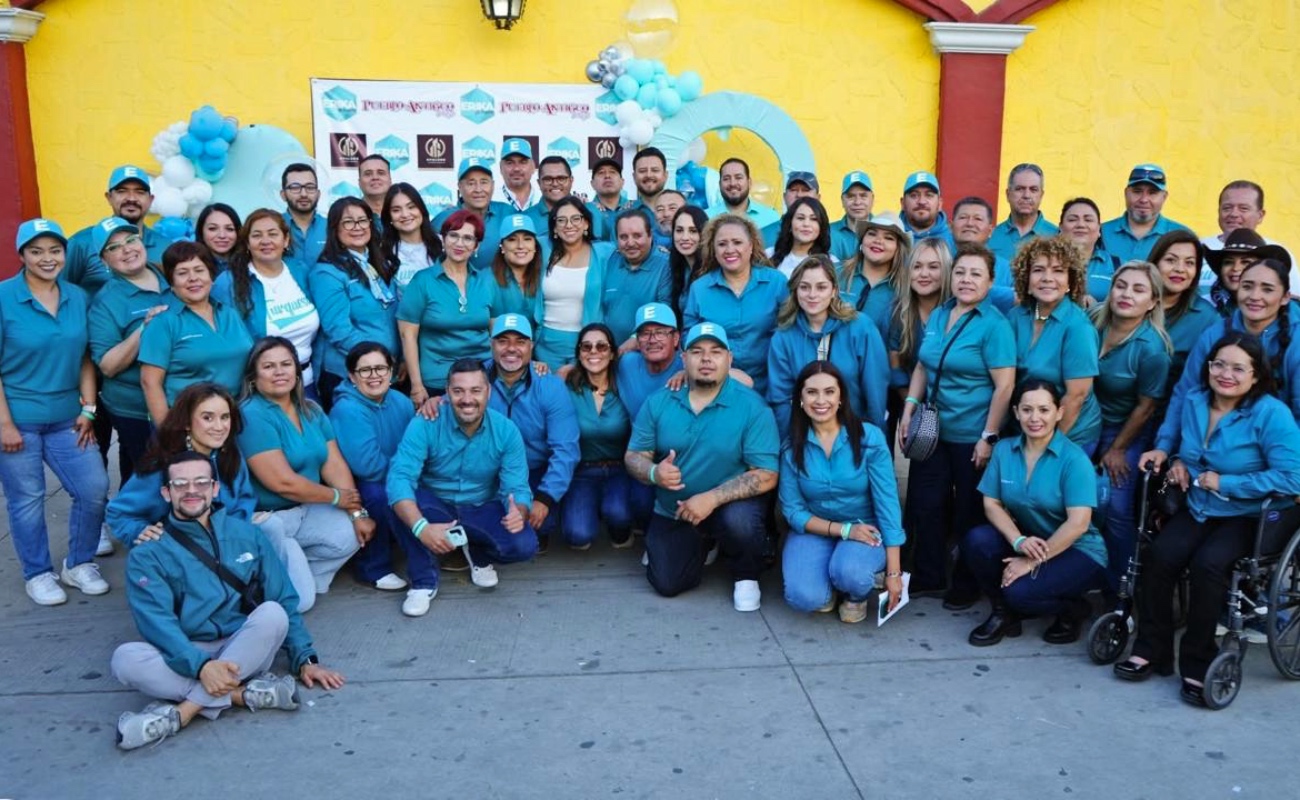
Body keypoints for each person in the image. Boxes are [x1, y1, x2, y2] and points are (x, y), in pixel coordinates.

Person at [111, 451, 344, 751]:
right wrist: (200, 667)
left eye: (201, 482)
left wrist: (305, 660)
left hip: (244, 643)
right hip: (188, 650)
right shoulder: (148, 553)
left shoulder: (248, 535)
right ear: (166, 493)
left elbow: (282, 598)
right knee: (125, 659)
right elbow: (158, 624)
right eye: (180, 484)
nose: (192, 490)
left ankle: (182, 713)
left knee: (272, 614)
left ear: (215, 488)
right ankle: (242, 695)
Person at [1120, 334, 1300, 706]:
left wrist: (1227, 482)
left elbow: (1293, 476)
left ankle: (1197, 663)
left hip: (1249, 515)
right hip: (1200, 506)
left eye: (1238, 368)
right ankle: (1152, 650)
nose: (1226, 374)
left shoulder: (1270, 414)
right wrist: (1177, 462)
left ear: (1255, 376)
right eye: (1219, 364)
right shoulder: (1195, 401)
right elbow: (1182, 446)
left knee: (1208, 566)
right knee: (1159, 556)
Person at [625, 322, 779, 610]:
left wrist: (711, 499)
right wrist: (653, 472)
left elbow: (767, 474)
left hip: (729, 505)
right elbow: (634, 455)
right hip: (676, 508)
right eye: (697, 351)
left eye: (715, 352)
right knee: (667, 583)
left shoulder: (752, 406)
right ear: (683, 359)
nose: (706, 359)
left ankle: (746, 574)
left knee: (740, 522)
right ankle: (702, 542)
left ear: (729, 360)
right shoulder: (658, 402)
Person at [0, 219, 110, 605]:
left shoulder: (77, 296)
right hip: (18, 419)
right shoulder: (4, 298)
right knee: (27, 499)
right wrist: (5, 423)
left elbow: (84, 358)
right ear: (22, 256)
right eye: (36, 251)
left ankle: (78, 563)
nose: (47, 258)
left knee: (94, 489)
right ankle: (38, 573)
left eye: (54, 250)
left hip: (68, 417)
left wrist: (90, 409)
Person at [899, 243, 1016, 605]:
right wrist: (909, 407)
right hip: (933, 432)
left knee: (968, 510)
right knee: (926, 503)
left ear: (991, 281)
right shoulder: (939, 313)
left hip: (971, 436)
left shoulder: (994, 325)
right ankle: (929, 575)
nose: (966, 280)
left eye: (976, 274)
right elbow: (922, 365)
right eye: (961, 272)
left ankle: (966, 584)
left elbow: (1005, 386)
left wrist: (988, 437)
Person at [964, 380, 1108, 646]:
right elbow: (991, 503)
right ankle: (1002, 612)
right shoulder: (1005, 450)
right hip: (1031, 539)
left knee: (1021, 594)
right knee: (977, 541)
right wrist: (1018, 541)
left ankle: (1074, 610)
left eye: (1044, 410)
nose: (1035, 418)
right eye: (1027, 410)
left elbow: (1078, 524)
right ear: (1016, 412)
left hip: (1079, 550)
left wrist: (1030, 563)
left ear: (1059, 413)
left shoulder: (1074, 460)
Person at [236, 337, 368, 612]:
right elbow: (282, 482)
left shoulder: (310, 409)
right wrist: (335, 497)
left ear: (297, 370)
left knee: (352, 534)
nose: (279, 371)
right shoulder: (252, 415)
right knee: (302, 602)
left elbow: (333, 464)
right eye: (269, 366)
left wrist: (357, 512)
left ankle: (289, 571)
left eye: (286, 364)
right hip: (269, 519)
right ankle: (271, 572)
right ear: (253, 377)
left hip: (304, 510)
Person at [387, 358, 537, 590]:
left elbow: (516, 486)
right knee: (401, 505)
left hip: (480, 506)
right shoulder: (426, 421)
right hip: (436, 504)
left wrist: (519, 511)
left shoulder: (506, 430)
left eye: (475, 390)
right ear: (447, 392)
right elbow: (401, 476)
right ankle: (423, 582)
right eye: (458, 391)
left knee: (524, 544)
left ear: (488, 391)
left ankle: (475, 552)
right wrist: (421, 527)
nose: (467, 399)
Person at [779, 361, 904, 622]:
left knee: (851, 574)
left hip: (865, 526)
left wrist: (894, 573)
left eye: (829, 391)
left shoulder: (868, 437)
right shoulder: (792, 445)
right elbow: (792, 510)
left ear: (841, 397)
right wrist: (843, 531)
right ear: (800, 399)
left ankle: (855, 594)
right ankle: (829, 585)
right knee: (804, 597)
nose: (820, 400)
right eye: (811, 392)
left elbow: (888, 504)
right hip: (815, 528)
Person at [330, 342, 440, 616]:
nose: (374, 375)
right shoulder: (347, 409)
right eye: (364, 370)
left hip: (399, 472)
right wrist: (406, 477)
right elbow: (367, 466)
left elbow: (419, 443)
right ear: (352, 376)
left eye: (380, 368)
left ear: (391, 371)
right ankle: (376, 567)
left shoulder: (400, 401)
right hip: (363, 482)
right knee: (383, 497)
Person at [1090, 261, 1172, 586]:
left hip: (1124, 428)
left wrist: (1117, 449)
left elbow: (1146, 406)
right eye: (1121, 286)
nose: (1126, 294)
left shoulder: (1153, 349)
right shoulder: (1092, 321)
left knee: (1117, 510)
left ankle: (1118, 588)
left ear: (1152, 302)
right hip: (1084, 420)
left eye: (1139, 289)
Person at [105, 382, 256, 549]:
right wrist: (139, 531)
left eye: (225, 417)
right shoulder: (164, 465)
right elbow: (118, 512)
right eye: (207, 418)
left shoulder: (229, 453)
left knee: (272, 528)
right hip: (181, 551)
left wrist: (235, 529)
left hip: (229, 542)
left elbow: (245, 498)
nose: (219, 427)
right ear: (187, 423)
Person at [1161, 259, 1296, 441]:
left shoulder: (1296, 340)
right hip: (1212, 441)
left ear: (1285, 297)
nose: (1255, 296)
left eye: (1267, 289)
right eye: (1247, 286)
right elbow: (1186, 390)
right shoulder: (1215, 333)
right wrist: (1165, 445)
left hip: (1275, 445)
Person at [88, 217, 177, 481]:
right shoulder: (106, 302)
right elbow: (107, 365)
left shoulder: (170, 274)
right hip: (135, 408)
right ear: (104, 261)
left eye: (130, 240)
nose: (127, 249)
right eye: (114, 248)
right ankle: (131, 520)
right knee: (150, 476)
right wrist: (144, 328)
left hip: (179, 397)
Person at [485, 315, 580, 551]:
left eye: (520, 341)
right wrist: (435, 403)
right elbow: (452, 400)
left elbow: (566, 449)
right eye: (503, 341)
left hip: (533, 471)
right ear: (491, 345)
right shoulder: (475, 378)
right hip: (487, 473)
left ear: (531, 346)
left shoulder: (550, 386)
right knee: (490, 524)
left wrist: (545, 497)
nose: (511, 349)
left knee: (541, 524)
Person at [767, 255, 888, 439]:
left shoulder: (860, 327)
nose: (812, 294)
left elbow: (875, 390)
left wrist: (874, 439)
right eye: (804, 287)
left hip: (853, 432)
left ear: (833, 290)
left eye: (821, 287)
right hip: (805, 437)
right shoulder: (783, 337)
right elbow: (780, 398)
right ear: (795, 291)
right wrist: (789, 445)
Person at [140, 241, 254, 424]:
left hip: (233, 418)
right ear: (172, 282)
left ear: (211, 275)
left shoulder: (229, 314)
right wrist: (167, 434)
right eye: (182, 273)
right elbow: (150, 383)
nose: (193, 278)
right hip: (186, 422)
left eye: (199, 270)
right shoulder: (163, 322)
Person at [1006, 235, 1101, 451]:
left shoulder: (1078, 328)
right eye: (1038, 270)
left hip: (1070, 433)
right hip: (1025, 425)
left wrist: (1046, 447)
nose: (1047, 278)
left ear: (1071, 281)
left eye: (1058, 271)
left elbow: (1077, 396)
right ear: (1026, 279)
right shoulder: (1016, 317)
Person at [211, 209, 321, 395]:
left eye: (272, 234)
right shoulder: (228, 282)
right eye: (256, 235)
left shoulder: (300, 270)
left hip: (307, 384)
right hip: (261, 391)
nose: (265, 241)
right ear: (247, 243)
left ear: (285, 240)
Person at [309, 197, 398, 411]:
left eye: (362, 220)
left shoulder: (377, 264)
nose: (357, 227)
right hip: (349, 374)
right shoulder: (327, 272)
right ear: (334, 229)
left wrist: (398, 359)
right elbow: (338, 329)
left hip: (386, 371)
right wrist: (380, 359)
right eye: (348, 222)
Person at [683, 214, 787, 395]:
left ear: (751, 246)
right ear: (713, 250)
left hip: (771, 382)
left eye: (737, 242)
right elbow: (689, 337)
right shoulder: (699, 289)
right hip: (717, 384)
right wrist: (725, 372)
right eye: (722, 244)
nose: (730, 249)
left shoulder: (776, 282)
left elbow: (789, 331)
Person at [398, 209, 493, 405]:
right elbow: (408, 336)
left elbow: (495, 332)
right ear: (443, 239)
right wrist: (416, 385)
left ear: (476, 246)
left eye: (468, 238)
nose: (459, 243)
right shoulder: (422, 281)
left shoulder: (486, 282)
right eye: (454, 235)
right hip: (436, 381)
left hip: (482, 379)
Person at [560, 324, 636, 550]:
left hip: (619, 469)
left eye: (602, 346)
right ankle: (587, 511)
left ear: (612, 353)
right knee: (578, 535)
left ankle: (619, 528)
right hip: (581, 470)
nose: (594, 351)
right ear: (579, 353)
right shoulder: (566, 386)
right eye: (586, 346)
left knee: (619, 515)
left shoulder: (625, 385)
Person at [616, 303, 684, 528]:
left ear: (676, 338)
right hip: (641, 453)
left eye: (661, 332)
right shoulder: (626, 363)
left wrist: (689, 371)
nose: (652, 339)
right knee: (636, 506)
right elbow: (593, 360)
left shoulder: (690, 363)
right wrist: (566, 369)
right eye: (645, 333)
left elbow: (745, 380)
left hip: (684, 456)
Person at [65, 166, 174, 296]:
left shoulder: (165, 246)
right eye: (122, 191)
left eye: (140, 192)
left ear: (150, 200)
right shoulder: (81, 243)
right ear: (109, 197)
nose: (131, 198)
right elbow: (58, 292)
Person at [534, 196, 614, 368]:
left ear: (586, 224)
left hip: (588, 345)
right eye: (561, 220)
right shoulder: (541, 248)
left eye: (575, 219)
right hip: (545, 345)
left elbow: (634, 248)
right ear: (554, 227)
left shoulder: (604, 253)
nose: (569, 225)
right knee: (551, 393)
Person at [887, 238, 953, 447]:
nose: (924, 274)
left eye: (933, 267)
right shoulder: (898, 313)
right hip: (910, 405)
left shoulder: (957, 311)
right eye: (917, 266)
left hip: (954, 410)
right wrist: (915, 409)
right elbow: (895, 367)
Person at [1149, 230, 1217, 392]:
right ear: (1154, 263)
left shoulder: (1207, 318)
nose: (1180, 269)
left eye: (1189, 263)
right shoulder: (1132, 301)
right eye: (1171, 260)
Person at [1200, 180, 1296, 290]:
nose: (1234, 214)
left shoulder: (1277, 254)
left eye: (1243, 208)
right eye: (1227, 208)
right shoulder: (1198, 248)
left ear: (1260, 215)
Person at [603, 210, 672, 347]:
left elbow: (665, 309)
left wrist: (636, 338)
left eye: (637, 236)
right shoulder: (610, 261)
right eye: (623, 237)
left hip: (648, 351)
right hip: (608, 353)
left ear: (650, 236)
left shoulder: (665, 265)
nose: (630, 243)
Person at [840, 212, 912, 342]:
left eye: (888, 238)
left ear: (898, 248)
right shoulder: (836, 273)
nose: (878, 241)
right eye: (872, 234)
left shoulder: (905, 288)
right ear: (862, 240)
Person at [433, 158, 513, 272]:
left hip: (500, 287)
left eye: (484, 182)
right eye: (471, 183)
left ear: (493, 185)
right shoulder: (442, 219)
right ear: (460, 187)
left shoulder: (507, 213)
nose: (478, 189)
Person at [1100, 163, 1190, 263]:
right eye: (1137, 191)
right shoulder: (1100, 233)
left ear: (1164, 197)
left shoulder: (1183, 236)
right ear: (1126, 193)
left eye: (1152, 193)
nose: (1144, 200)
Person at [1203, 228, 1292, 319]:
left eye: (1246, 262)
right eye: (1228, 262)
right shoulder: (1205, 307)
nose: (1235, 268)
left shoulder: (1291, 310)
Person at [948, 197, 1016, 312]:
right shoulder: (938, 262)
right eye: (963, 217)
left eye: (978, 219)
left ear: (990, 230)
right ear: (951, 226)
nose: (969, 223)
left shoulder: (1007, 269)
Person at [380, 182, 444, 297]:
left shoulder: (444, 244)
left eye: (411, 207)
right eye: (396, 210)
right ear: (389, 217)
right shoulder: (383, 253)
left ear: (421, 210)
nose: (405, 214)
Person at [988, 163, 1059, 262]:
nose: (1026, 195)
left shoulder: (1057, 237)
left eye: (1033, 190)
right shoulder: (991, 237)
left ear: (1041, 195)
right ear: (1008, 194)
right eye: (1020, 189)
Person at [1059, 197, 1121, 304]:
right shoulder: (1045, 263)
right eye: (1072, 219)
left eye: (1088, 220)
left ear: (1099, 230)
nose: (1081, 225)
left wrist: (1099, 308)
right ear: (1061, 228)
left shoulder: (1119, 266)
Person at [488, 213, 544, 326]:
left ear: (535, 246)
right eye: (512, 239)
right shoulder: (486, 280)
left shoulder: (546, 277)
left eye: (527, 239)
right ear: (502, 247)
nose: (520, 246)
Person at [768, 196, 835, 278]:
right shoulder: (768, 255)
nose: (806, 224)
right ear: (789, 224)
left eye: (814, 219)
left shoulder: (832, 262)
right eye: (800, 218)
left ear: (821, 227)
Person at [280, 162, 328, 270]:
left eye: (310, 187)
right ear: (283, 195)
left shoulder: (332, 227)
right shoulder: (273, 227)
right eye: (295, 187)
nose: (304, 194)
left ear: (318, 194)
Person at [712, 158, 781, 233]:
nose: (732, 183)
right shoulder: (705, 217)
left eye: (738, 178)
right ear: (719, 184)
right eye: (726, 179)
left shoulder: (771, 218)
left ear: (749, 182)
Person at [898, 170, 954, 253]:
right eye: (914, 195)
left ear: (939, 204)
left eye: (929, 195)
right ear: (903, 203)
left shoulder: (954, 239)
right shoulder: (890, 235)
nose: (922, 201)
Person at [668, 205, 708, 317]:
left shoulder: (713, 270)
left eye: (693, 231)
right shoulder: (676, 267)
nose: (685, 237)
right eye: (679, 230)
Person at [830, 171, 874, 263]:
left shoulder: (885, 231)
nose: (857, 202)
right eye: (851, 196)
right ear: (842, 200)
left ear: (872, 199)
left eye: (863, 196)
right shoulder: (827, 232)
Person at [526, 155, 574, 239]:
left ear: (571, 180)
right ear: (539, 183)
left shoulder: (588, 212)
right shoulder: (526, 218)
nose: (555, 184)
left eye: (561, 178)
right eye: (548, 179)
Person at [586, 156, 628, 243]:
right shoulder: (584, 211)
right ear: (592, 184)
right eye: (601, 172)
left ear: (622, 182)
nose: (607, 176)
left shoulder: (635, 208)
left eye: (612, 172)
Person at [195, 203, 241, 276]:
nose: (222, 235)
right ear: (201, 231)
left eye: (229, 229)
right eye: (213, 228)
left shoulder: (251, 264)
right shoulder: (188, 264)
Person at [499, 138, 539, 212]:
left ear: (533, 167)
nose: (516, 168)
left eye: (523, 162)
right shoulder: (490, 200)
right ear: (501, 168)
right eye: (510, 163)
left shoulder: (543, 199)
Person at [629, 147, 668, 221]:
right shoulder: (624, 214)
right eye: (642, 171)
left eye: (655, 170)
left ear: (665, 175)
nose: (649, 175)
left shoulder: (683, 210)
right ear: (634, 177)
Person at [357, 154, 392, 219]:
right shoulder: (347, 214)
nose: (375, 177)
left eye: (381, 173)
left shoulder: (402, 214)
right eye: (368, 174)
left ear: (390, 180)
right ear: (359, 182)